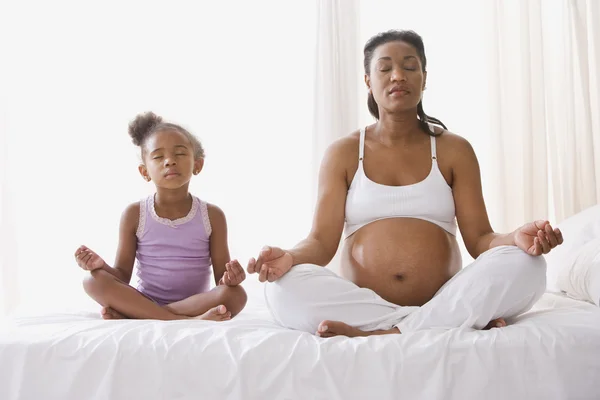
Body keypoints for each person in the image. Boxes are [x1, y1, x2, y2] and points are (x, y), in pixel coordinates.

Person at [247, 30, 563, 337]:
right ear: (369, 82)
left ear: (424, 77)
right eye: (385, 68)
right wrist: (290, 256)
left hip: (440, 296)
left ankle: (389, 331)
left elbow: (480, 239)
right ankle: (444, 321)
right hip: (367, 303)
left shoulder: (454, 149)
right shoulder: (343, 153)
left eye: (409, 66)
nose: (398, 75)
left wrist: (514, 238)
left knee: (528, 266)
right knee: (281, 288)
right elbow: (320, 242)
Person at [77, 112, 247, 321]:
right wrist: (100, 266)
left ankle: (142, 315)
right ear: (144, 171)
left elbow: (222, 281)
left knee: (236, 295)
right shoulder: (134, 214)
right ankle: (185, 321)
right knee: (92, 281)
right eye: (158, 157)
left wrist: (231, 278)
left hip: (193, 303)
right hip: (145, 299)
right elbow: (121, 276)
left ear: (197, 165)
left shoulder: (212, 215)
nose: (169, 161)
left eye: (180, 154)